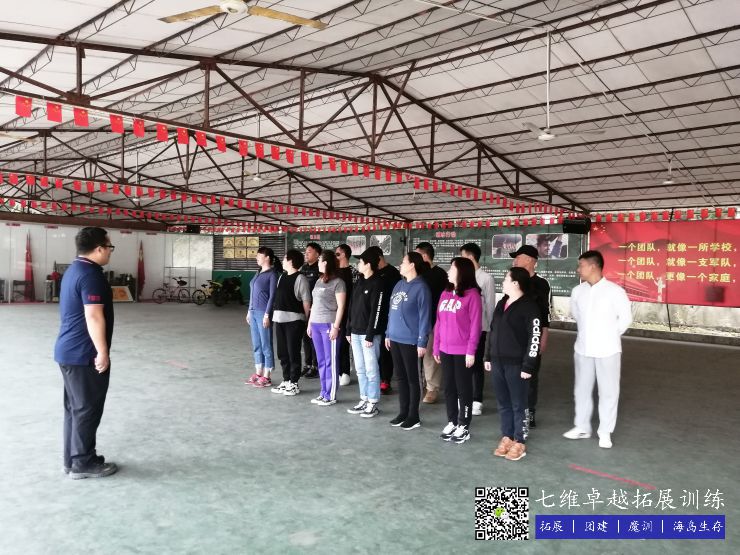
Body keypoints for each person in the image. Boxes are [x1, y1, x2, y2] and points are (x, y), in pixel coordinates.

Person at [54, 227, 118, 479]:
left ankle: (71, 460)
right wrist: (102, 352)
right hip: (84, 354)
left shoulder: (73, 270)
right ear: (99, 248)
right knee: (87, 409)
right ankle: (83, 462)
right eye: (109, 247)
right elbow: (93, 316)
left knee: (74, 409)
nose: (110, 252)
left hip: (68, 351)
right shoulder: (91, 275)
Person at [564, 250, 632, 449]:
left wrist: (610, 336)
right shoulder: (578, 291)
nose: (578, 269)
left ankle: (605, 432)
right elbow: (576, 315)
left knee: (608, 391)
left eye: (581, 265)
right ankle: (582, 427)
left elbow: (626, 318)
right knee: (581, 389)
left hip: (608, 350)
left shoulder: (615, 291)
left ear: (593, 266)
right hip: (583, 348)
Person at [484, 267, 541, 462]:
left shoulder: (529, 307)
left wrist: (528, 365)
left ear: (516, 283)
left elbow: (535, 337)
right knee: (503, 403)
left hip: (517, 364)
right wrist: (488, 356)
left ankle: (520, 440)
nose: (503, 282)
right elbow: (493, 330)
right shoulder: (502, 302)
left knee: (519, 404)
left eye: (506, 279)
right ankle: (507, 436)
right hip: (498, 362)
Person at [433, 257, 482, 445]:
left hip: (462, 351)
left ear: (462, 272)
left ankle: (464, 425)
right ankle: (452, 421)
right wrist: (436, 346)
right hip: (445, 349)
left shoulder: (473, 295)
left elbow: (476, 326)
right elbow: (438, 322)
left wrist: (471, 351)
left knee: (464, 389)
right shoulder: (445, 293)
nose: (448, 271)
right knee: (449, 388)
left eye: (452, 269)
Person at [385, 252, 432, 431]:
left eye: (403, 262)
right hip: (395, 338)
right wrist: (388, 333)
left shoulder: (421, 288)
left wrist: (422, 341)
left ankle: (414, 415)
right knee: (401, 377)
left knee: (413, 379)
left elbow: (425, 316)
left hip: (411, 340)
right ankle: (403, 412)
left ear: (412, 265)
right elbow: (391, 311)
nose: (400, 264)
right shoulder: (399, 284)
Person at [510, 244, 551, 429]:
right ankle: (515, 408)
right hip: (513, 336)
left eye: (518, 257)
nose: (515, 261)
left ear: (529, 260)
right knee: (513, 373)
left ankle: (529, 411)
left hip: (532, 335)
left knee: (530, 375)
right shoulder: (513, 280)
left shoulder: (541, 284)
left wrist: (544, 336)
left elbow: (544, 313)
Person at [345, 248, 385, 418]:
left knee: (371, 369)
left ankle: (373, 402)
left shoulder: (378, 283)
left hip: (369, 335)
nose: (358, 264)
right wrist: (348, 329)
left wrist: (370, 334)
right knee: (360, 369)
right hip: (355, 333)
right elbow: (351, 307)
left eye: (360, 261)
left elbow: (377, 311)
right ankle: (364, 398)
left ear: (368, 264)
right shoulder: (359, 281)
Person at [459, 243, 496, 416]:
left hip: (479, 328)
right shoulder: (460, 277)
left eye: (462, 256)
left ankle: (477, 399)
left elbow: (489, 305)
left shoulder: (486, 278)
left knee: (476, 364)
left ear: (470, 257)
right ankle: (464, 395)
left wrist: (488, 328)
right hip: (461, 329)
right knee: (462, 363)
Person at [307, 252, 347, 406]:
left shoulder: (338, 282)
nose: (318, 263)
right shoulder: (319, 281)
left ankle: (330, 395)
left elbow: (341, 306)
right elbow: (314, 304)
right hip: (316, 324)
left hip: (329, 324)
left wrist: (336, 327)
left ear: (326, 263)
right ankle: (323, 392)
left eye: (320, 261)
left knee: (330, 361)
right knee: (321, 360)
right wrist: (310, 323)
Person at [270, 249, 312, 397]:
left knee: (293, 351)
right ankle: (286, 379)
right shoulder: (282, 276)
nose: (282, 261)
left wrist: (305, 320)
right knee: (282, 352)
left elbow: (306, 301)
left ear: (291, 261)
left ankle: (294, 383)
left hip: (294, 321)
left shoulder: (301, 278)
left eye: (284, 258)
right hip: (279, 320)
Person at [415, 241, 448, 404]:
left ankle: (432, 388)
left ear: (424, 255)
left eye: (417, 254)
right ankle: (418, 384)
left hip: (432, 320)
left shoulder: (440, 274)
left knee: (429, 355)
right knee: (416, 354)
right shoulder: (416, 273)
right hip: (415, 321)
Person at [367, 245, 401, 395]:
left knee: (385, 350)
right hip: (372, 317)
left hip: (387, 316)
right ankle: (373, 379)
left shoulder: (393, 273)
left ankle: (385, 379)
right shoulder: (371, 273)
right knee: (371, 349)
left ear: (379, 258)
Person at [246, 247, 279, 388]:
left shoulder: (272, 274)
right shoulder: (258, 272)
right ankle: (258, 372)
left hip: (263, 313)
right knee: (257, 344)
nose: (256, 258)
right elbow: (252, 292)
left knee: (266, 344)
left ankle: (267, 376)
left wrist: (267, 314)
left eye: (259, 255)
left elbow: (272, 296)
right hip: (253, 312)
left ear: (267, 258)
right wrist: (249, 311)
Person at [335, 243, 356, 386]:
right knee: (334, 343)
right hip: (334, 312)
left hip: (348, 312)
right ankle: (336, 371)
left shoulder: (354, 272)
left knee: (344, 343)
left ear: (344, 255)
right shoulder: (333, 272)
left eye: (337, 254)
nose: (335, 256)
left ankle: (345, 371)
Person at [300, 242, 322, 379]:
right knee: (305, 338)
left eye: (309, 252)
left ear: (317, 254)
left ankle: (316, 366)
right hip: (304, 308)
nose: (306, 254)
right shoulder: (303, 268)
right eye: (306, 252)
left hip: (316, 309)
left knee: (314, 338)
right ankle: (307, 364)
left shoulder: (320, 269)